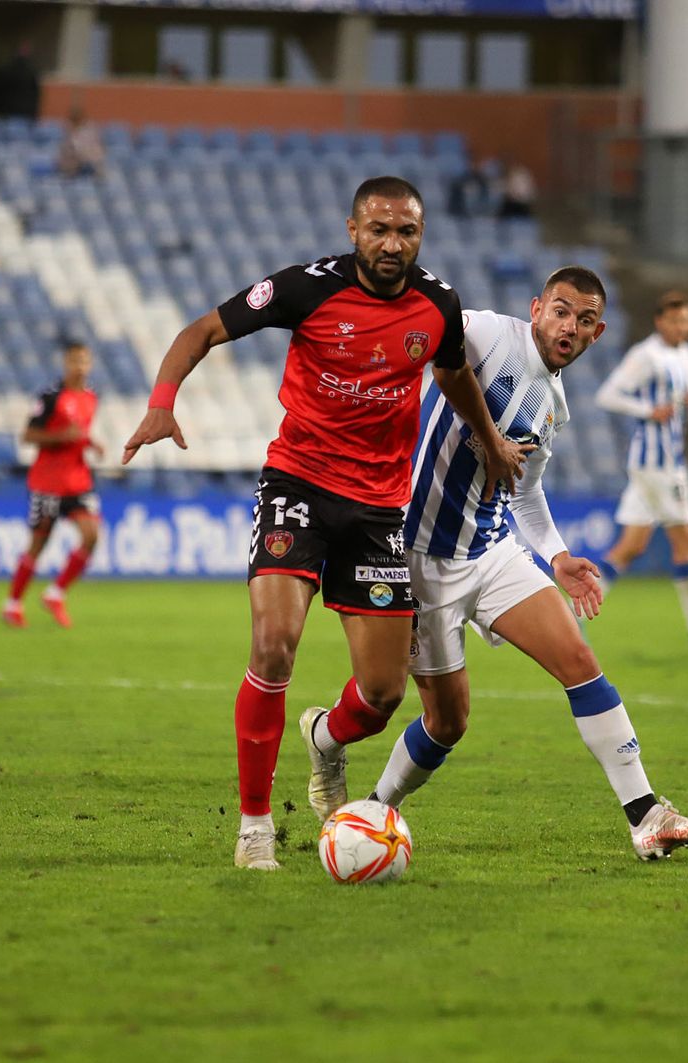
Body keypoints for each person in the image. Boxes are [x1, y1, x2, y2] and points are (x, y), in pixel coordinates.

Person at [121, 176, 527, 871]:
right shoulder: (308, 288)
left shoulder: (437, 304)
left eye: (406, 232)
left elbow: (454, 371)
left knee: (383, 693)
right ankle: (254, 827)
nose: (392, 244)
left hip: (376, 509)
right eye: (379, 230)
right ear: (353, 230)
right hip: (298, 483)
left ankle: (326, 739)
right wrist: (163, 400)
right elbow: (204, 328)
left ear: (420, 236)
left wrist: (488, 438)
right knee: (275, 644)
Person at [350, 268, 688, 859]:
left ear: (597, 333)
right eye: (560, 311)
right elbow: (420, 335)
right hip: (418, 561)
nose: (568, 326)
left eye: (583, 319)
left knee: (578, 659)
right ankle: (374, 807)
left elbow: (524, 491)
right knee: (446, 722)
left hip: (492, 553)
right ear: (536, 308)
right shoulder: (486, 335)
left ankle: (646, 815)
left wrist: (558, 557)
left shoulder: (552, 404)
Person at [594, 292, 688, 653]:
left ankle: (571, 616)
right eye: (676, 321)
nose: (683, 327)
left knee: (631, 546)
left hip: (664, 460)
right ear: (660, 321)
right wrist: (647, 410)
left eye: (687, 321)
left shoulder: (686, 354)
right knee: (686, 542)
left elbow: (683, 405)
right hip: (657, 464)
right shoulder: (646, 355)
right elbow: (608, 395)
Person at [4, 343, 102, 629]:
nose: (79, 367)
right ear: (65, 364)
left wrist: (90, 442)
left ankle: (56, 593)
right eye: (74, 361)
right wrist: (61, 436)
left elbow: (79, 434)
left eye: (84, 361)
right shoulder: (51, 397)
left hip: (78, 482)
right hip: (48, 483)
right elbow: (28, 435)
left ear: (91, 364)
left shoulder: (91, 398)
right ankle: (13, 603)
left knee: (92, 535)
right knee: (38, 543)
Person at [57, 108, 105, 178]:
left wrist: (85, 155)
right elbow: (65, 151)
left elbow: (98, 152)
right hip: (74, 164)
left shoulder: (90, 131)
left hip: (91, 162)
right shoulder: (69, 132)